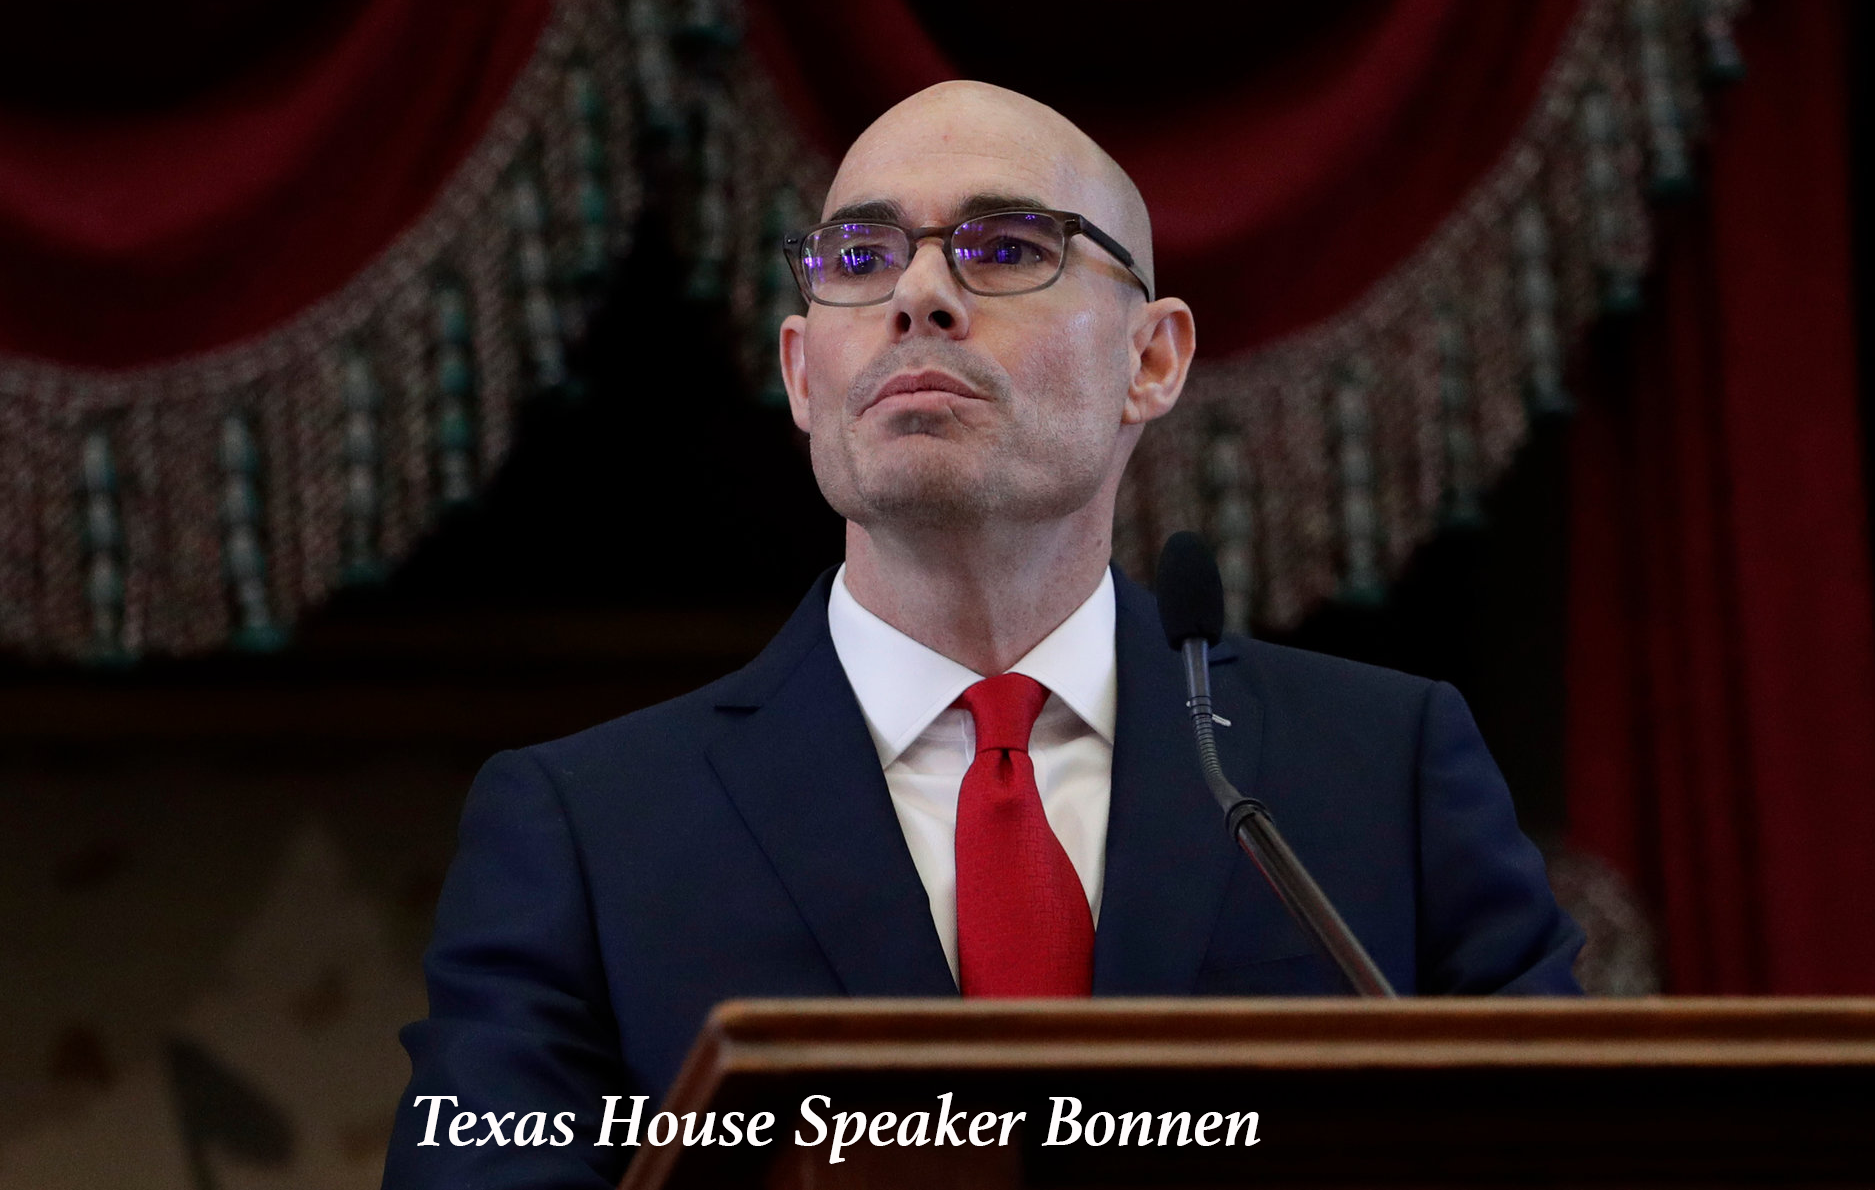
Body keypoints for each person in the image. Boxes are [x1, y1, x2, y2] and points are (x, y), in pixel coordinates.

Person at [383, 81, 1582, 1189]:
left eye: (1005, 248)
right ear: (804, 374)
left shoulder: (1381, 772)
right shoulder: (587, 829)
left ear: (1151, 357)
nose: (919, 293)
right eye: (860, 256)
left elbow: (1574, 1152)